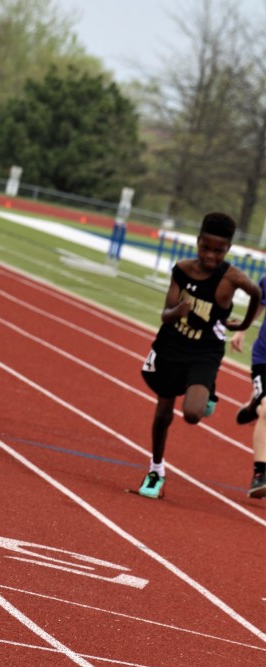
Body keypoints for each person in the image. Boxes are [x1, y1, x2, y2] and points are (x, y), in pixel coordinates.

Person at [138, 211, 261, 499]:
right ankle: (156, 470)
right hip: (172, 344)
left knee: (193, 414)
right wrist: (176, 312)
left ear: (227, 249)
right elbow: (166, 314)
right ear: (198, 242)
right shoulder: (182, 269)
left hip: (204, 350)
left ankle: (208, 390)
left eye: (218, 251)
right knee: (164, 412)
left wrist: (243, 324)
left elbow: (256, 293)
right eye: (205, 248)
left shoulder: (232, 277)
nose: (210, 256)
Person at [229, 273, 266, 498]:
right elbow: (260, 304)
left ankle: (255, 404)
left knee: (264, 409)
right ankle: (260, 474)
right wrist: (242, 331)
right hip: (265, 357)